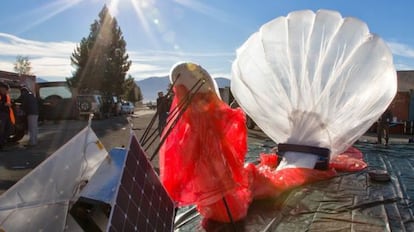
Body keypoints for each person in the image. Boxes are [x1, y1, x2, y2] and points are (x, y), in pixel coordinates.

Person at [0, 82, 14, 149]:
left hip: (7, 115)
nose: (6, 91)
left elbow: (9, 103)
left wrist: (11, 104)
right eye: (6, 89)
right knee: (1, 130)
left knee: (10, 129)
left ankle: (3, 142)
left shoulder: (7, 95)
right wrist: (3, 104)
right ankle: (1, 145)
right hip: (1, 115)